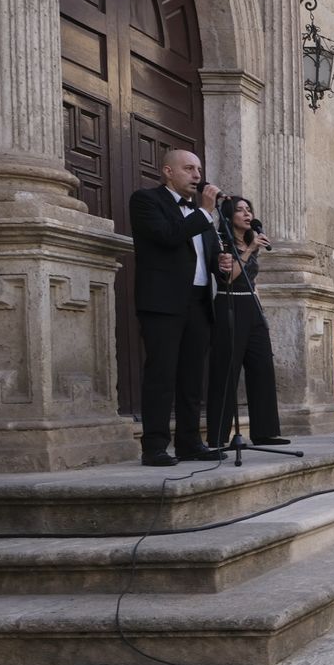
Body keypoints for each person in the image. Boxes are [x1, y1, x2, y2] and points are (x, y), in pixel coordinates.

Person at [128, 148, 225, 467]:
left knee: (192, 378)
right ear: (168, 171)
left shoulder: (203, 215)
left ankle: (189, 442)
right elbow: (167, 237)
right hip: (163, 303)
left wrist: (221, 264)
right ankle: (154, 446)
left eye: (198, 169)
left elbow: (206, 256)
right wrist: (205, 213)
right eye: (188, 169)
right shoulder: (146, 200)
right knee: (161, 374)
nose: (197, 175)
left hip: (198, 302)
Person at [206, 196, 287, 449]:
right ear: (229, 217)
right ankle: (218, 436)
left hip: (251, 305)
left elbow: (252, 279)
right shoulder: (222, 242)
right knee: (226, 370)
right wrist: (250, 249)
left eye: (248, 209)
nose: (246, 214)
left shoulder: (251, 240)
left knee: (262, 367)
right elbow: (228, 278)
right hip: (229, 304)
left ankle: (265, 431)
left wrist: (261, 311)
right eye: (240, 210)